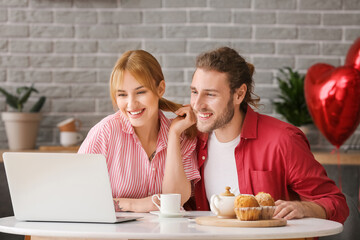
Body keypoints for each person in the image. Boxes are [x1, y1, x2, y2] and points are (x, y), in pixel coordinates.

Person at [189, 46, 349, 223]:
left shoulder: (283, 140)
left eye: (210, 94)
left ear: (239, 94)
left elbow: (337, 203)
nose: (197, 104)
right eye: (194, 92)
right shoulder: (191, 141)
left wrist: (303, 208)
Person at [78, 50, 199, 212]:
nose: (131, 104)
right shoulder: (105, 132)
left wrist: (173, 136)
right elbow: (78, 196)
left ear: (160, 89)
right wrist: (140, 204)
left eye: (140, 92)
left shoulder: (182, 135)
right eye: (122, 95)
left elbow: (174, 201)